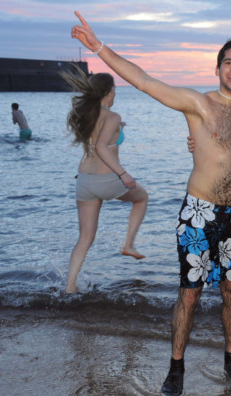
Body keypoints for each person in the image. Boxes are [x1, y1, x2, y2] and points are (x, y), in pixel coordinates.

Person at [70, 11, 231, 396]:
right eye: (228, 61)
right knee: (189, 292)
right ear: (217, 68)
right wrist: (98, 48)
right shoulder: (197, 103)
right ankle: (176, 367)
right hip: (200, 212)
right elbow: (144, 81)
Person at [62, 67, 149, 294]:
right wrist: (123, 174)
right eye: (114, 89)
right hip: (107, 179)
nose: (115, 93)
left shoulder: (89, 116)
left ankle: (69, 287)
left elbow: (100, 139)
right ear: (109, 91)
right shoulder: (112, 116)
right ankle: (128, 244)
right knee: (142, 198)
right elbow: (101, 146)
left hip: (84, 181)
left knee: (85, 238)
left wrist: (118, 130)